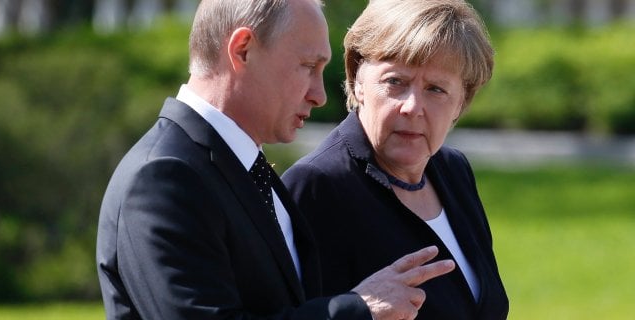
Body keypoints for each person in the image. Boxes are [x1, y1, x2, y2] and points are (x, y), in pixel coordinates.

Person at [95, 0, 457, 319]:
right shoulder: (163, 177)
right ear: (243, 50)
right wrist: (359, 308)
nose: (319, 95)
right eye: (307, 66)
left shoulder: (243, 166)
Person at [282, 0, 509, 318]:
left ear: (461, 102)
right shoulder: (318, 185)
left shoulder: (452, 169)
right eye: (395, 82)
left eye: (436, 89)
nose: (412, 106)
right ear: (358, 80)